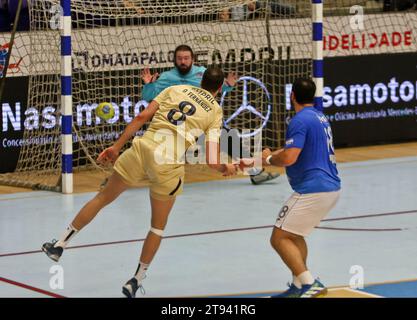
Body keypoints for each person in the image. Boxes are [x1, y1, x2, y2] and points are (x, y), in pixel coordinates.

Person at [42, 66, 240, 298]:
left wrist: (116, 147)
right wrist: (225, 168)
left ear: (201, 80)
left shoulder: (176, 89)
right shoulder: (215, 111)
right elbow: (212, 159)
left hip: (142, 149)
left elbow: (141, 117)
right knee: (157, 227)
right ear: (219, 88)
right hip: (167, 163)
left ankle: (60, 245)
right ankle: (135, 280)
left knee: (103, 197)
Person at [242, 78, 341, 298]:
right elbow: (291, 149)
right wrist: (263, 158)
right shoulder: (319, 116)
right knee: (294, 235)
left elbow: (289, 157)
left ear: (292, 96)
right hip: (329, 187)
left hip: (314, 189)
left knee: (278, 238)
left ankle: (309, 283)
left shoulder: (300, 120)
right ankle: (298, 285)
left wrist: (267, 161)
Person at [141, 44, 280, 185]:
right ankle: (143, 170)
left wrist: (229, 85)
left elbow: (217, 87)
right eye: (179, 58)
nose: (183, 62)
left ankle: (255, 172)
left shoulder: (202, 73)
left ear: (193, 59)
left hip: (200, 122)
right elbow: (147, 96)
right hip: (176, 125)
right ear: (175, 60)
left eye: (186, 58)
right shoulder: (166, 77)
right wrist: (148, 85)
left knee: (228, 137)